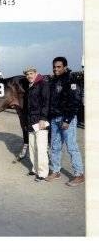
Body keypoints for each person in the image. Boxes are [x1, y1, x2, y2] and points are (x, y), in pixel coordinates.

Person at [45, 56, 84, 186]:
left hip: (67, 119)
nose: (56, 69)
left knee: (72, 147)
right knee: (55, 147)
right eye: (54, 67)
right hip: (55, 119)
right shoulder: (53, 81)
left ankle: (79, 174)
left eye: (59, 67)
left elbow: (75, 101)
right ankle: (56, 171)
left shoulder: (71, 80)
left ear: (65, 67)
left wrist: (67, 119)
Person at [23, 66, 50, 182]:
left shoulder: (43, 84)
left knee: (41, 147)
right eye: (27, 74)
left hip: (40, 120)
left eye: (31, 73)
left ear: (36, 73)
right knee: (33, 146)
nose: (29, 76)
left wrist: (43, 119)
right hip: (31, 121)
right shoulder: (30, 86)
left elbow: (46, 102)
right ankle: (35, 168)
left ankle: (43, 173)